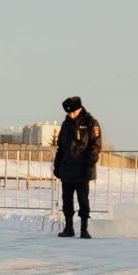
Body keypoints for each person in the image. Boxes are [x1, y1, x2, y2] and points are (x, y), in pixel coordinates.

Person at [52, 96, 101, 238]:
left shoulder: (90, 122)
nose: (70, 115)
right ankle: (69, 228)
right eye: (68, 112)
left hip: (82, 169)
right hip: (67, 169)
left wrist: (89, 166)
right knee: (67, 200)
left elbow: (95, 146)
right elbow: (61, 147)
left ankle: (84, 229)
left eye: (72, 112)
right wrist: (57, 166)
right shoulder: (66, 124)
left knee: (83, 200)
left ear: (79, 108)